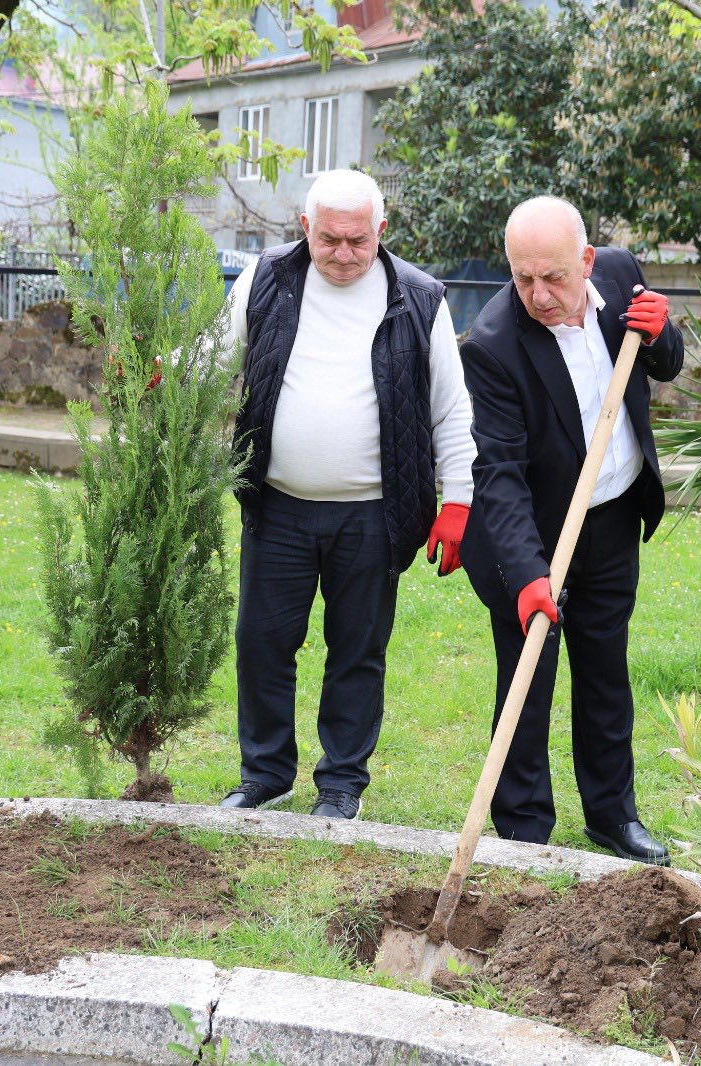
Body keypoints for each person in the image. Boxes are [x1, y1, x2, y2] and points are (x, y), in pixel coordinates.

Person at [216, 169, 475, 820]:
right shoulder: (267, 279)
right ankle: (266, 773)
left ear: (380, 232)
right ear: (305, 229)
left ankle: (340, 785)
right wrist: (162, 374)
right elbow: (216, 358)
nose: (343, 253)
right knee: (262, 642)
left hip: (376, 515)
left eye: (358, 241)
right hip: (277, 505)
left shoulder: (419, 298)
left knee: (357, 651)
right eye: (329, 239)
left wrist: (458, 505)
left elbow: (451, 411)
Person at [457, 196, 683, 864]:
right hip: (530, 534)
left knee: (605, 673)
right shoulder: (494, 345)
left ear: (585, 261)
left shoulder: (618, 276)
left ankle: (613, 817)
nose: (538, 294)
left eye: (552, 277)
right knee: (527, 679)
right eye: (523, 278)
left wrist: (663, 330)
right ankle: (524, 824)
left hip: (611, 518)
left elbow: (662, 360)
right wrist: (527, 575)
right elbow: (498, 474)